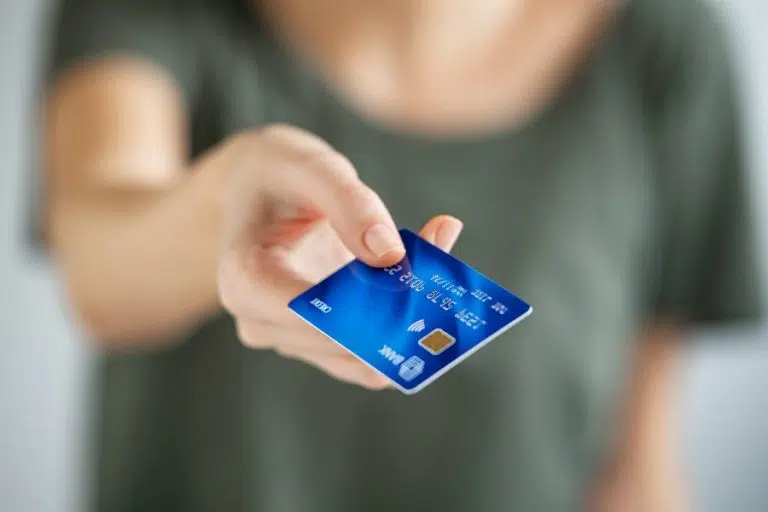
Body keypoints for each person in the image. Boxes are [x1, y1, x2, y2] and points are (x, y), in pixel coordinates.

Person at [39, 0, 763, 510]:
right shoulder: (153, 12)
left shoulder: (665, 44)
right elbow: (99, 264)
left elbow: (637, 466)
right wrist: (222, 204)